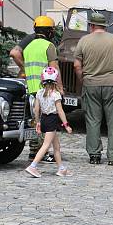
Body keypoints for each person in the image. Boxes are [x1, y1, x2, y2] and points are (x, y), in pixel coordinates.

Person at [73, 12, 113, 166]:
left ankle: (94, 155)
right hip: (111, 84)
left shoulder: (84, 41)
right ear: (105, 26)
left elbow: (77, 65)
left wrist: (83, 80)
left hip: (91, 84)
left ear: (91, 25)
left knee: (92, 120)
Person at [20, 16, 61, 162]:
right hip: (45, 90)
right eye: (52, 30)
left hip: (31, 89)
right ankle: (43, 152)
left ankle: (33, 150)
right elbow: (54, 69)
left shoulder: (29, 47)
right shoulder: (48, 46)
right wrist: (60, 88)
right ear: (49, 31)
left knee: (34, 120)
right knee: (47, 121)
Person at [25, 67, 73, 178]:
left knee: (56, 146)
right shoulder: (56, 94)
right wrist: (66, 125)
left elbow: (36, 110)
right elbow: (60, 111)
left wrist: (37, 122)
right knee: (46, 145)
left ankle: (61, 168)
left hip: (44, 119)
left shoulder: (39, 93)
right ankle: (33, 166)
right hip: (52, 120)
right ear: (55, 80)